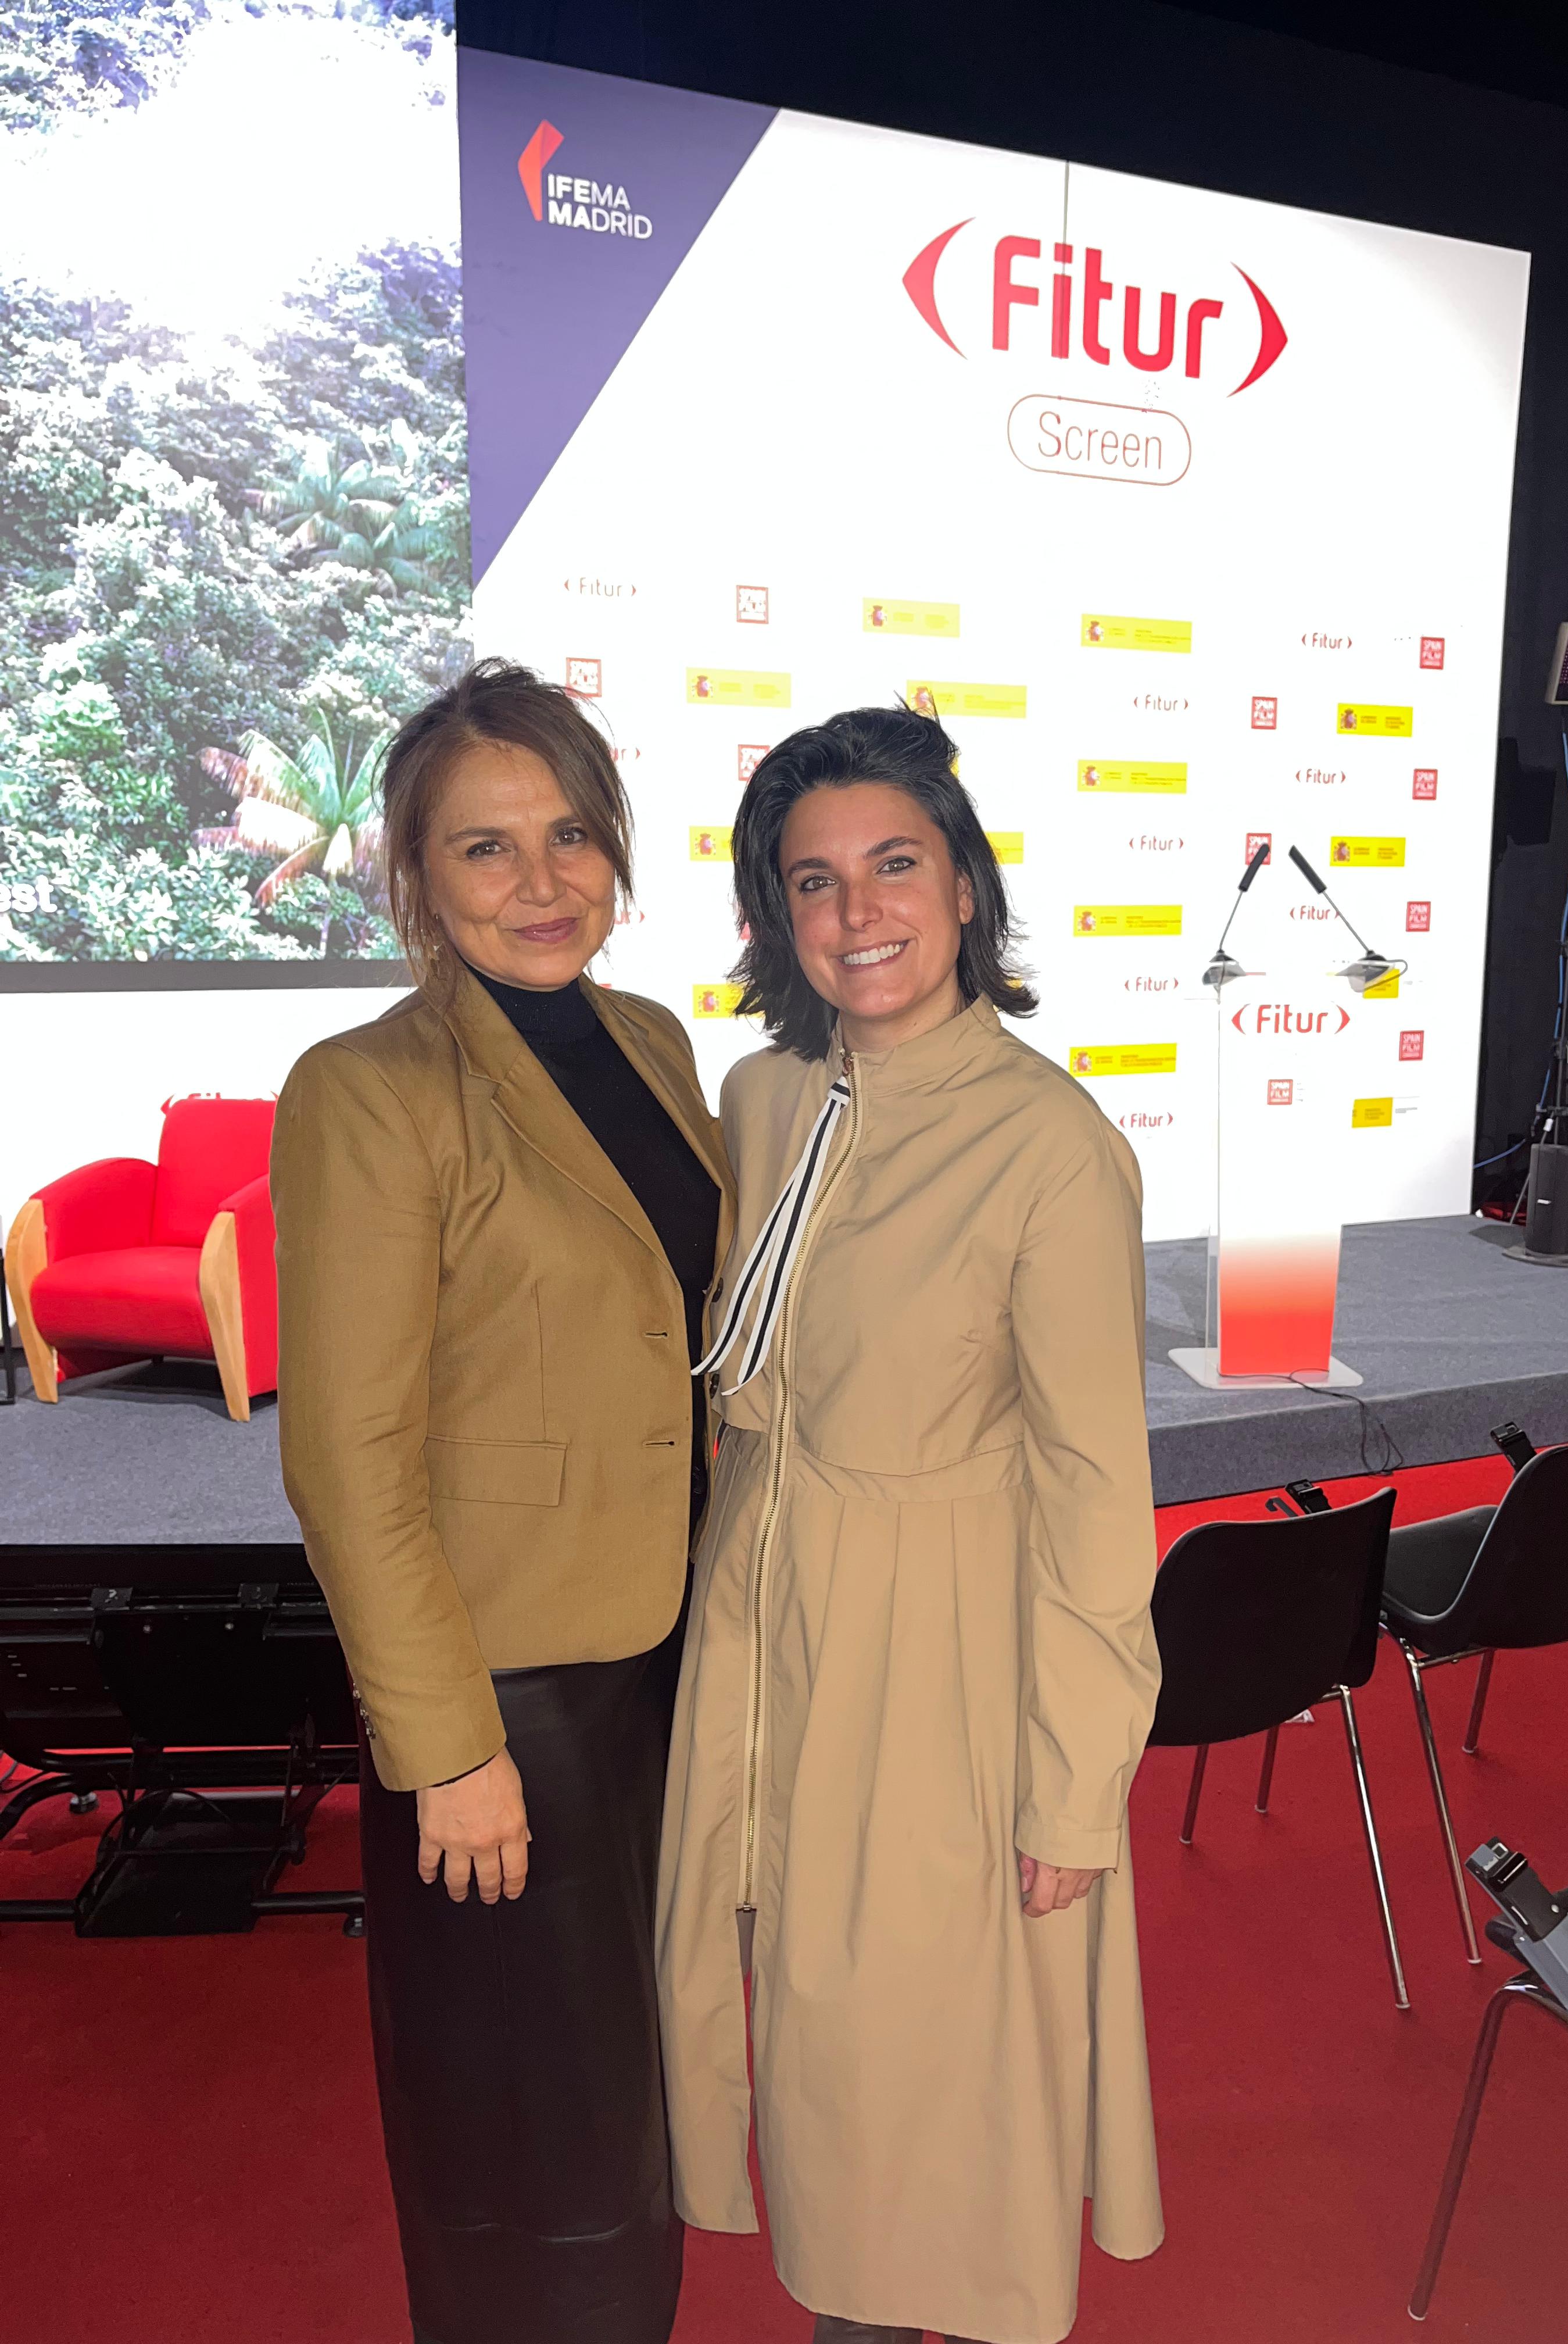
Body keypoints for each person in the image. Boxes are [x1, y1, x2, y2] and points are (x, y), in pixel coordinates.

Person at [656, 704, 1164, 2344]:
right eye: (814, 881)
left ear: (963, 888)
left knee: (911, 2089)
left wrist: (1073, 1783)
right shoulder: (762, 1096)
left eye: (894, 865)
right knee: (801, 2043)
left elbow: (1098, 1494)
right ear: (775, 913)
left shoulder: (1049, 1148)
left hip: (940, 1667)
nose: (857, 912)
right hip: (763, 1629)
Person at [271, 659, 731, 2344]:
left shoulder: (649, 1041)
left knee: (638, 2085)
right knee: (532, 2126)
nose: (542, 882)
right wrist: (448, 1747)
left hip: (667, 1655)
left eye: (571, 836)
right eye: (486, 847)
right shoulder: (370, 1090)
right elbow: (347, 1453)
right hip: (509, 1695)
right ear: (415, 871)